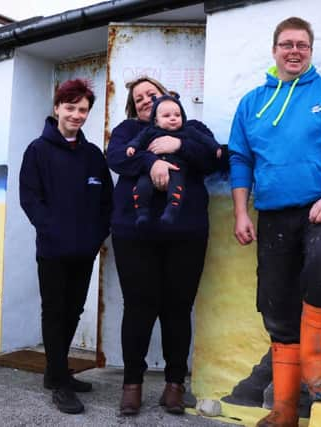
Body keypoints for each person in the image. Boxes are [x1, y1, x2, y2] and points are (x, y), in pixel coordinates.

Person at [228, 17, 321, 427]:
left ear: (311, 50)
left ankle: (315, 367)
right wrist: (241, 211)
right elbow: (240, 158)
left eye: (302, 45)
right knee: (274, 301)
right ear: (274, 50)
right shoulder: (252, 102)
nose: (294, 51)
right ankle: (285, 408)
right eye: (287, 44)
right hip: (271, 214)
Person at [107, 76, 220, 416]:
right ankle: (132, 385)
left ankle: (174, 385)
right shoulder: (128, 131)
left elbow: (214, 159)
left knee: (177, 307)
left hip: (186, 233)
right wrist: (151, 162)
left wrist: (178, 146)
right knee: (138, 307)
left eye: (150, 94)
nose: (144, 100)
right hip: (134, 233)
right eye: (138, 97)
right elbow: (116, 158)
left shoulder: (193, 127)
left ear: (167, 97)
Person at [19, 79, 113, 415]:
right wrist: (53, 231)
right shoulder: (37, 151)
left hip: (83, 250)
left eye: (82, 109)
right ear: (57, 108)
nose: (76, 114)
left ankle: (54, 373)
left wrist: (95, 236)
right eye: (70, 107)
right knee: (55, 312)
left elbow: (106, 201)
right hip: (53, 250)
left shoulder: (92, 156)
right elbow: (30, 199)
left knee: (73, 311)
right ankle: (59, 382)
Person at [125, 93, 222, 227]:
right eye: (166, 116)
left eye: (177, 115)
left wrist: (216, 148)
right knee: (142, 187)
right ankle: (142, 213)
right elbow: (138, 140)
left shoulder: (189, 130)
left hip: (176, 168)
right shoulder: (149, 131)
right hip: (149, 172)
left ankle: (171, 212)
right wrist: (132, 147)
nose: (173, 119)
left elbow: (205, 140)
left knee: (176, 188)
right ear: (156, 120)